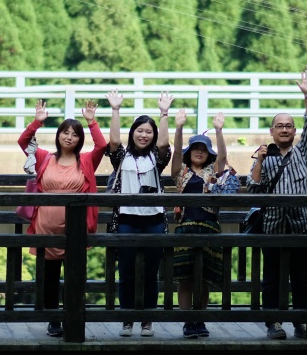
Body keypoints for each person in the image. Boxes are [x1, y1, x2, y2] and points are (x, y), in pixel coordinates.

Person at [18, 98, 105, 339]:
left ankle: (73, 316)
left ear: (80, 139)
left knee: (75, 277)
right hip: (46, 227)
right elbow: (24, 142)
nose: (69, 137)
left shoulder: (86, 160)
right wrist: (37, 122)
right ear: (58, 136)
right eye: (65, 133)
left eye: (74, 134)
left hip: (75, 229)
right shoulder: (44, 157)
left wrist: (91, 121)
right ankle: (53, 319)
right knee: (49, 277)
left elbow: (101, 147)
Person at [248, 66, 307, 340]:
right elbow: (253, 190)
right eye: (280, 126)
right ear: (272, 130)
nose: (285, 130)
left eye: (289, 126)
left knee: (301, 277)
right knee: (273, 278)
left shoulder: (303, 151)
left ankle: (301, 321)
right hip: (273, 226)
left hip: (300, 225)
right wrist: (260, 160)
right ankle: (274, 322)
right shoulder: (264, 155)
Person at [105, 89, 174, 337]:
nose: (144, 135)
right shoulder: (122, 157)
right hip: (126, 219)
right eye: (139, 130)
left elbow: (165, 145)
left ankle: (147, 319)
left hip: (154, 220)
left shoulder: (157, 157)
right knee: (126, 271)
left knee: (151, 272)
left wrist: (164, 113)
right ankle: (127, 318)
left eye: (148, 132)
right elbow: (113, 143)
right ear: (132, 132)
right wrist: (115, 110)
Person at [171, 109, 228, 339]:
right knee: (185, 278)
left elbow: (223, 158)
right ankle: (187, 321)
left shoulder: (213, 172)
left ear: (208, 154)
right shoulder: (181, 173)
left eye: (203, 149)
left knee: (204, 277)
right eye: (195, 148)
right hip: (186, 225)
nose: (198, 152)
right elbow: (175, 154)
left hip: (209, 226)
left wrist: (219, 130)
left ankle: (200, 318)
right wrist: (178, 128)